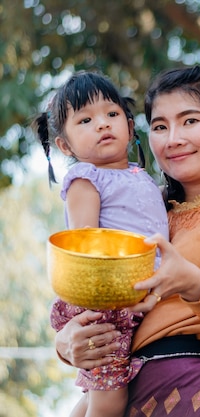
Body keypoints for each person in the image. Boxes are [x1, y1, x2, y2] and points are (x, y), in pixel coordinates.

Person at [54, 65, 200, 417]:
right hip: (129, 392)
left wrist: (194, 283)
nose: (173, 139)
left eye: (190, 121)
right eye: (160, 126)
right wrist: (66, 344)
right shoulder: (144, 214)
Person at [34, 71, 169, 417]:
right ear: (64, 145)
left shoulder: (142, 177)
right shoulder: (86, 178)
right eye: (85, 120)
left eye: (111, 114)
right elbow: (84, 245)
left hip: (131, 296)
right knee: (111, 400)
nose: (102, 125)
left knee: (102, 391)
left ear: (128, 124)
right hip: (106, 302)